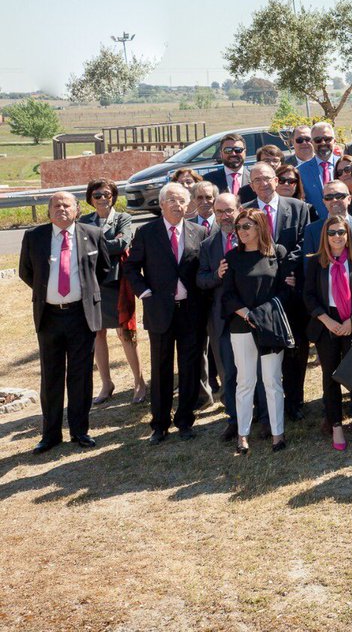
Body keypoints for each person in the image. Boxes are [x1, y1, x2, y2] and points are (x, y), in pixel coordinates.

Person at [20, 192, 111, 453]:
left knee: (80, 376)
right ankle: (50, 434)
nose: (61, 209)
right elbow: (27, 272)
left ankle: (80, 431)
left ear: (76, 209)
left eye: (66, 205)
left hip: (81, 316)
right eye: (56, 205)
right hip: (49, 316)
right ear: (49, 211)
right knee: (51, 376)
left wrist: (83, 293)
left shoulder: (91, 234)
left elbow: (103, 270)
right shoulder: (34, 237)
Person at [124, 182, 206, 443]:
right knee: (161, 369)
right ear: (160, 204)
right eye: (171, 200)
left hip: (191, 312)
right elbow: (131, 267)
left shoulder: (199, 232)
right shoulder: (147, 233)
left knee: (190, 367)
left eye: (182, 200)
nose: (177, 205)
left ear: (188, 204)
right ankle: (159, 424)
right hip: (160, 311)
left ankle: (185, 421)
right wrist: (144, 292)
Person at [244, 162, 312, 421]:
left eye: (267, 179)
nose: (263, 184)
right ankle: (267, 405)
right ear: (251, 185)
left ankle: (295, 401)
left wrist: (285, 270)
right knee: (266, 350)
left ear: (276, 180)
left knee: (296, 349)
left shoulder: (298, 208)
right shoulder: (246, 212)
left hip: (291, 288)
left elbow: (304, 242)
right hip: (260, 292)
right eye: (257, 180)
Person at [222, 208, 293, 453]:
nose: (240, 231)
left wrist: (262, 314)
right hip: (241, 326)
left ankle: (278, 433)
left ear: (260, 227)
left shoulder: (278, 253)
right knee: (245, 381)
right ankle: (242, 434)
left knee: (272, 381)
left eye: (246, 226)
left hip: (270, 325)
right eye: (238, 227)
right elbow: (227, 295)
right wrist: (247, 314)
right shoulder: (232, 258)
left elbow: (286, 290)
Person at [304, 214, 352, 451]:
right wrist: (326, 321)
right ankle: (336, 425)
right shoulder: (315, 262)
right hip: (327, 325)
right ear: (325, 236)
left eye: (341, 232)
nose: (337, 237)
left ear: (348, 235)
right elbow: (309, 295)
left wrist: (351, 321)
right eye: (332, 232)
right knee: (330, 377)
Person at [78, 178, 144, 405]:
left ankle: (139, 381)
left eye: (107, 194)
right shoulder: (84, 220)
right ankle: (106, 383)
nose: (103, 199)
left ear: (113, 196)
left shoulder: (123, 218)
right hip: (93, 284)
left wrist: (93, 244)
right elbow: (81, 247)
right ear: (90, 199)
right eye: (97, 195)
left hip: (118, 284)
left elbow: (123, 244)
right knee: (97, 334)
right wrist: (107, 242)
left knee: (126, 333)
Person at [196, 192, 246, 442]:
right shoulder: (208, 245)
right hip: (221, 318)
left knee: (254, 368)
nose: (225, 216)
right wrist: (217, 274)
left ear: (239, 209)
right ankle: (234, 419)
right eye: (219, 212)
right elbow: (201, 280)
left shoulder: (253, 236)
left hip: (249, 315)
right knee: (228, 371)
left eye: (229, 211)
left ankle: (261, 415)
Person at [296, 122, 341, 218]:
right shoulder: (300, 171)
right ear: (312, 143)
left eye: (327, 139)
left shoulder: (346, 166)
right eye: (318, 140)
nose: (323, 143)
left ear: (335, 141)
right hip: (316, 227)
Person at [205, 133, 253, 202]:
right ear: (221, 154)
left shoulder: (254, 179)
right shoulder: (208, 180)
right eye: (228, 150)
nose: (233, 154)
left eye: (238, 150)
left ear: (245, 152)